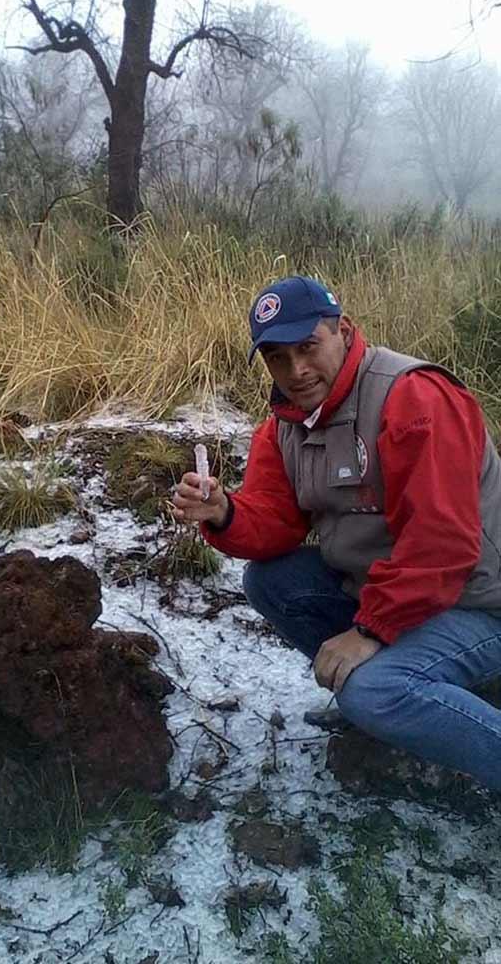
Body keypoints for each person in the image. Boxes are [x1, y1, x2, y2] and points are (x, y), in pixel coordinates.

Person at [171, 274, 501, 791]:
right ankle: (393, 714)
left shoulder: (413, 397)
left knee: (371, 690)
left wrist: (369, 632)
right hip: (400, 596)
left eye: (308, 346)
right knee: (270, 581)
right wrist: (223, 511)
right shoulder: (284, 425)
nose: (295, 371)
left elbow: (443, 545)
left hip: (478, 602)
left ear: (343, 330)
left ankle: (389, 702)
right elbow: (276, 522)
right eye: (277, 357)